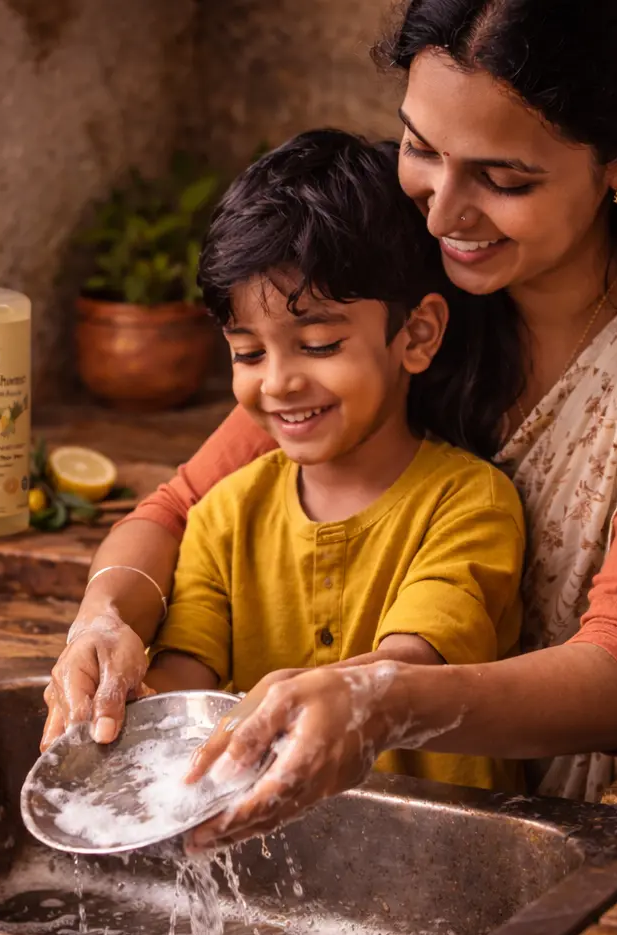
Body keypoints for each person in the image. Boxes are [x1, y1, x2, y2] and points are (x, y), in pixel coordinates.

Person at [43, 0, 617, 848]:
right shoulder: (424, 283)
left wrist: (383, 702)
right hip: (489, 794)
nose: (442, 216)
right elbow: (179, 509)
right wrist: (105, 619)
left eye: (504, 179)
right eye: (422, 149)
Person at [142, 129, 525, 792]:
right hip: (270, 845)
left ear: (417, 335)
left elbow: (412, 659)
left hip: (439, 847)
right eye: (249, 353)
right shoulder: (221, 519)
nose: (278, 383)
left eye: (318, 344)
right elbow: (184, 676)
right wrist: (122, 700)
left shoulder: (469, 503)